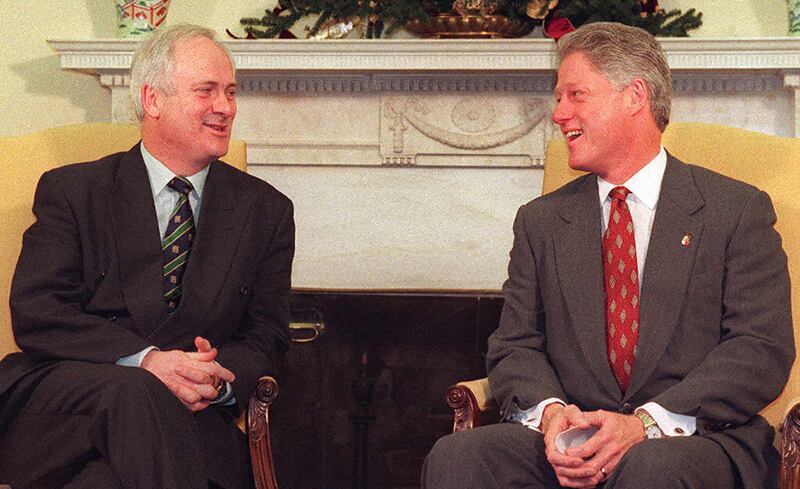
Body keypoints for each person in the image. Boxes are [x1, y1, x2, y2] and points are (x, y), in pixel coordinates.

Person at [422, 22, 794, 489]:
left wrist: (644, 424)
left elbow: (760, 348)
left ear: (634, 96)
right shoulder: (540, 221)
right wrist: (552, 415)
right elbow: (515, 343)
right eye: (558, 98)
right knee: (460, 456)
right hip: (574, 436)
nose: (559, 114)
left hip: (695, 438)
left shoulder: (735, 211)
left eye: (575, 95)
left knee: (650, 468)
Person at [0, 24, 294, 489]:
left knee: (102, 483)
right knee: (136, 391)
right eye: (207, 91)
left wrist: (215, 382)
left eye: (231, 92)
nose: (225, 107)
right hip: (64, 410)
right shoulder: (75, 191)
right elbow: (39, 313)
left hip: (186, 421)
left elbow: (267, 335)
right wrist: (147, 360)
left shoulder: (266, 212)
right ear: (152, 100)